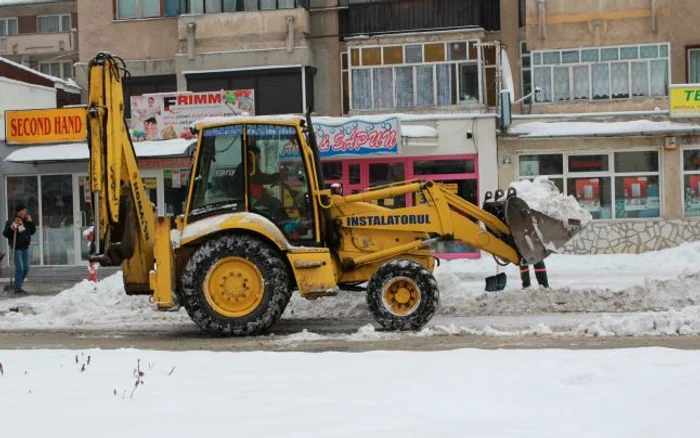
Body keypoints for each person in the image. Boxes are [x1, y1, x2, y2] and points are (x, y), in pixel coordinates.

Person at [3, 204, 37, 294]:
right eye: (23, 211)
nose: (24, 212)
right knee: (20, 268)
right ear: (18, 212)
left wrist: (31, 222)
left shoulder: (26, 221)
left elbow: (32, 231)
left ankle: (17, 285)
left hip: (25, 247)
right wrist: (12, 227)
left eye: (25, 211)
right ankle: (17, 287)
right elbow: (5, 234)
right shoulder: (12, 221)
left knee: (26, 268)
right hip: (16, 248)